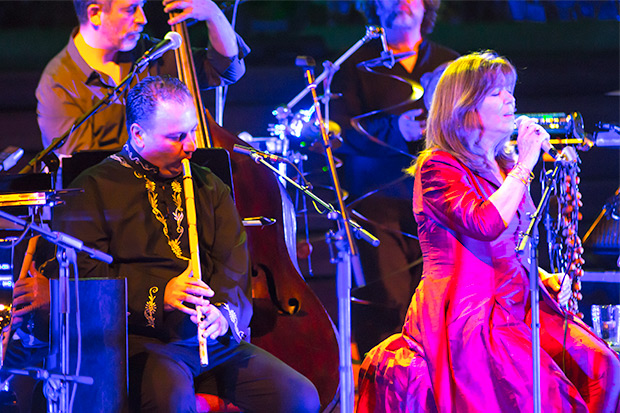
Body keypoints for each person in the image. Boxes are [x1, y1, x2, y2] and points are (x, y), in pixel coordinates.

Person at [356, 51, 620, 412]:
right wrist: (526, 164)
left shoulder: (503, 164)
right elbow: (484, 223)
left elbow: (510, 244)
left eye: (510, 90)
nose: (510, 99)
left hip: (518, 298)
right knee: (540, 391)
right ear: (464, 106)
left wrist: (541, 276)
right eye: (496, 92)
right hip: (470, 311)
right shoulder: (438, 167)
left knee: (602, 365)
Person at [50, 75, 320, 412]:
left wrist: (223, 314)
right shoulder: (92, 188)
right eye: (177, 137)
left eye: (191, 131)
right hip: (142, 343)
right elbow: (84, 278)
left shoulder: (208, 184)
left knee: (300, 397)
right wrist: (160, 295)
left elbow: (233, 264)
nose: (191, 145)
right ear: (138, 135)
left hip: (210, 338)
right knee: (172, 400)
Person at [330, 0, 459, 354]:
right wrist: (395, 129)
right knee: (390, 306)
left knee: (439, 308)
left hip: (440, 209)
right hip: (376, 210)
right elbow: (336, 134)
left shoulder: (453, 65)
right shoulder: (353, 65)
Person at [36, 0, 249, 161]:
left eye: (142, 7)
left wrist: (213, 14)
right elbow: (82, 169)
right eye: (131, 9)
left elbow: (226, 70)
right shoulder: (58, 82)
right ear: (95, 14)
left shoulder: (150, 53)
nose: (142, 19)